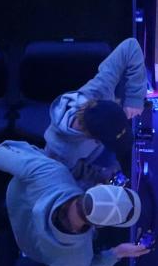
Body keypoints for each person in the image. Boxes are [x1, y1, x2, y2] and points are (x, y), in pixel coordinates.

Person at [0, 140, 150, 266]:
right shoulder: (78, 258)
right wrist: (115, 254)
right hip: (24, 245)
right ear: (100, 226)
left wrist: (38, 157)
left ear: (94, 187)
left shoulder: (52, 172)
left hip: (7, 199)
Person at [44, 38, 147, 189]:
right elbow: (73, 173)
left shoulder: (100, 91)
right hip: (90, 160)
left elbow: (130, 46)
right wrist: (99, 175)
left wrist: (134, 99)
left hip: (94, 150)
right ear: (95, 139)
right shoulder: (61, 150)